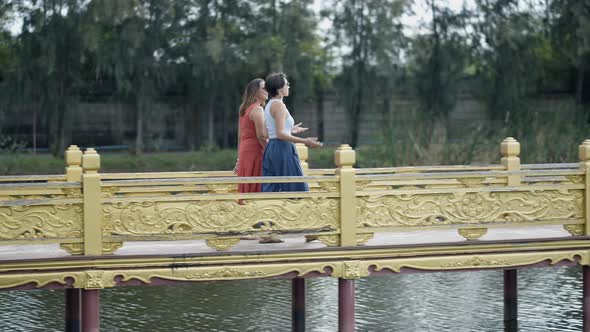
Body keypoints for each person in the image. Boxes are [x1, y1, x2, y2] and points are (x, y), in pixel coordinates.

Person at [262, 72, 322, 193]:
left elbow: (267, 133)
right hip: (283, 147)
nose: (288, 86)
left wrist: (290, 130)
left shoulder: (268, 105)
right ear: (279, 89)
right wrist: (306, 141)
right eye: (287, 84)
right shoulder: (279, 106)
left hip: (272, 148)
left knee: (272, 188)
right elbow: (280, 134)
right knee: (295, 189)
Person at [235, 78, 268, 193]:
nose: (267, 90)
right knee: (256, 185)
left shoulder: (244, 110)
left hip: (245, 151)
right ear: (255, 92)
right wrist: (271, 151)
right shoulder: (257, 109)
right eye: (264, 88)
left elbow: (240, 138)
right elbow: (261, 136)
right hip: (255, 151)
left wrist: (239, 160)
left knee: (247, 184)